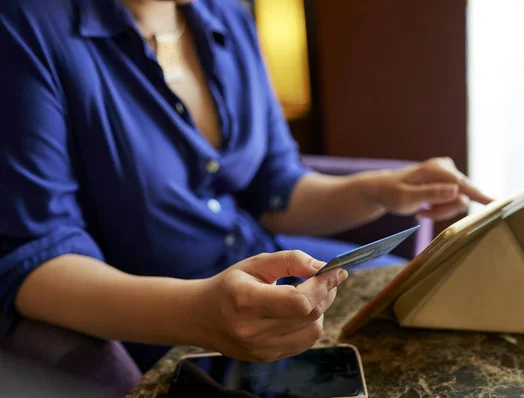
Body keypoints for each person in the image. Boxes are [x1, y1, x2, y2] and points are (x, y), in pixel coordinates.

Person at [0, 0, 491, 372]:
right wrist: (195, 313)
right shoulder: (26, 28)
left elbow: (274, 190)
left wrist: (380, 190)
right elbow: (35, 257)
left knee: (455, 319)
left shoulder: (227, 14)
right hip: (158, 328)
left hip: (269, 277)